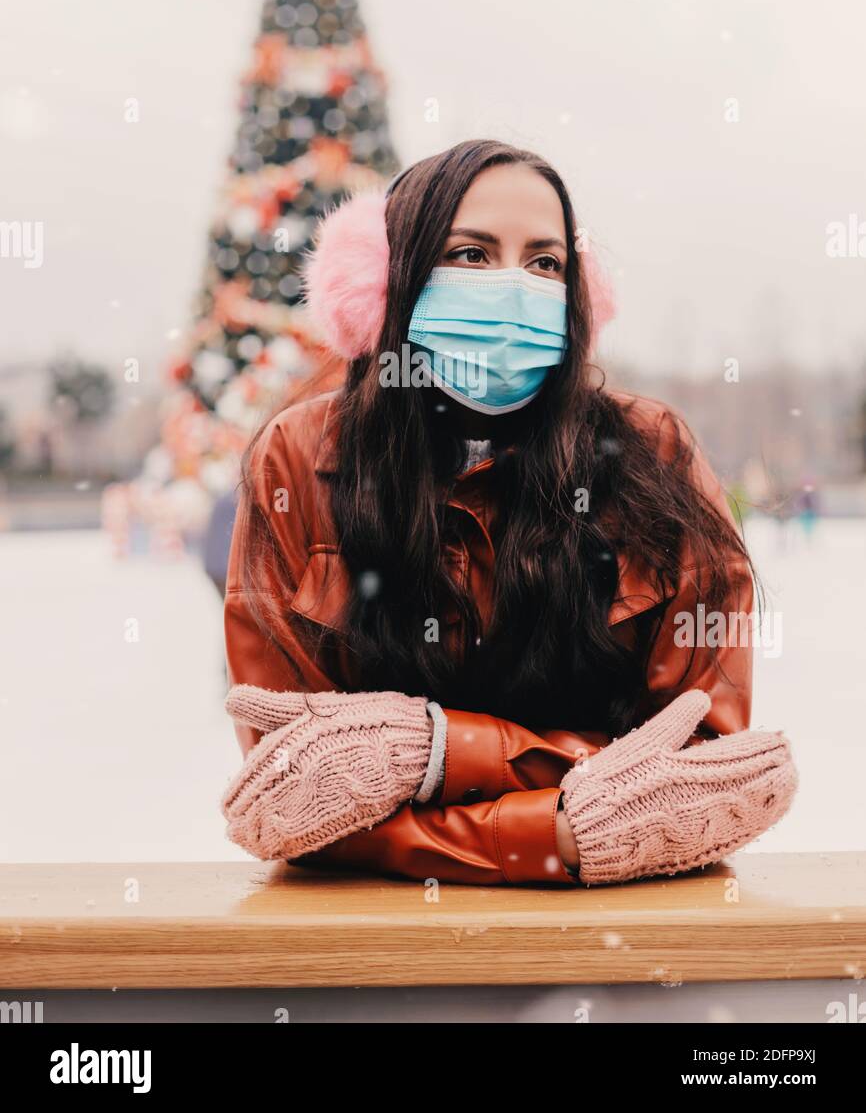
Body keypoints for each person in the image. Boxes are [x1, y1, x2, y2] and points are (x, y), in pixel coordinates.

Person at [220, 140, 797, 887]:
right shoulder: (295, 461)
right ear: (386, 282)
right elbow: (290, 798)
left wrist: (432, 753)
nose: (514, 289)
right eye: (471, 254)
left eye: (545, 263)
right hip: (376, 964)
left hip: (613, 965)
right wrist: (561, 832)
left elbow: (702, 778)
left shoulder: (654, 454)